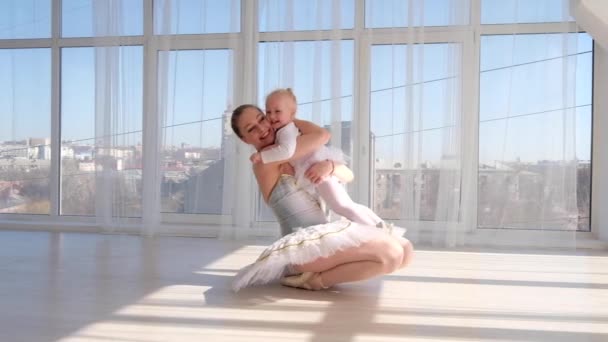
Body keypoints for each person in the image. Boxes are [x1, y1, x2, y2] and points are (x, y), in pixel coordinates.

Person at [230, 104, 413, 292]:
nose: (262, 128)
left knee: (406, 253)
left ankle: (315, 275)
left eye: (261, 118)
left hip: (323, 238)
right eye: (251, 128)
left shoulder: (293, 150)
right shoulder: (264, 161)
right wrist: (289, 119)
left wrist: (330, 166)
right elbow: (322, 136)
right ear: (244, 140)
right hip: (301, 251)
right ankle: (315, 280)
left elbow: (348, 175)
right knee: (392, 254)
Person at [250, 88, 385, 227]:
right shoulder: (283, 130)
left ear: (292, 113)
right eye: (268, 112)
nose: (272, 116)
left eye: (277, 111)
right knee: (344, 205)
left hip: (317, 167)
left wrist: (262, 155)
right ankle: (376, 223)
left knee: (340, 205)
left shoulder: (287, 130)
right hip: (314, 171)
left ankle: (376, 228)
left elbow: (286, 151)